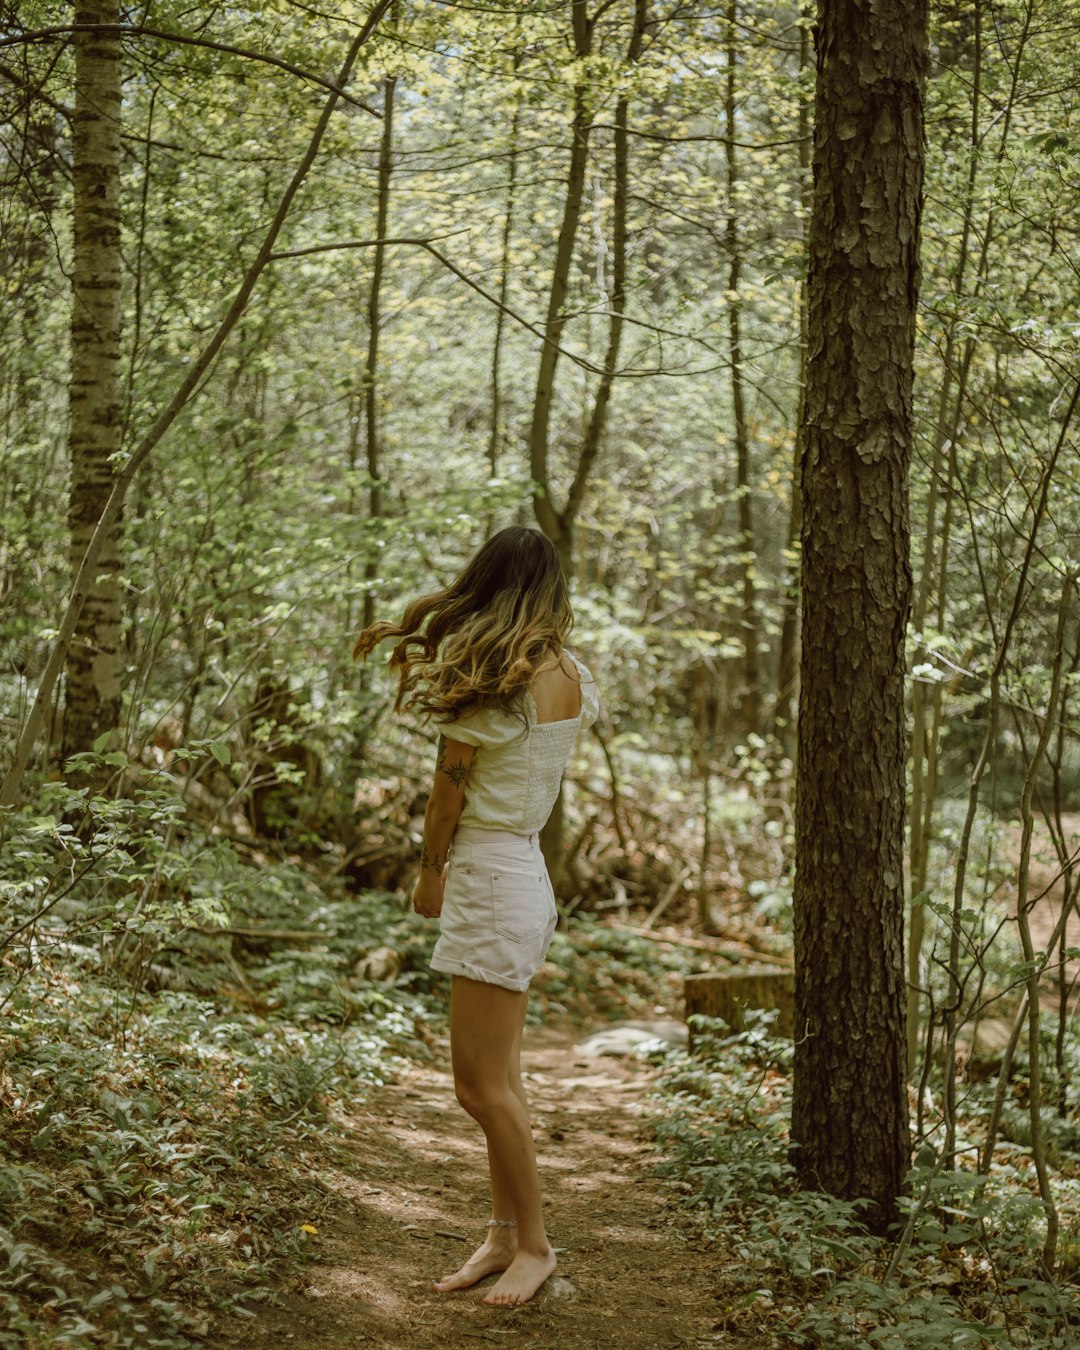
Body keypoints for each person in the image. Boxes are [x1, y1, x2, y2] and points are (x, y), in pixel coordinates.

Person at [353, 525, 599, 1307]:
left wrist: (430, 876)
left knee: (477, 1087)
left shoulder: (497, 683)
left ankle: (535, 1246)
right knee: (504, 1080)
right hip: (522, 869)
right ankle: (502, 1233)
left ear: (489, 584)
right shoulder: (571, 673)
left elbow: (446, 796)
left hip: (492, 875)